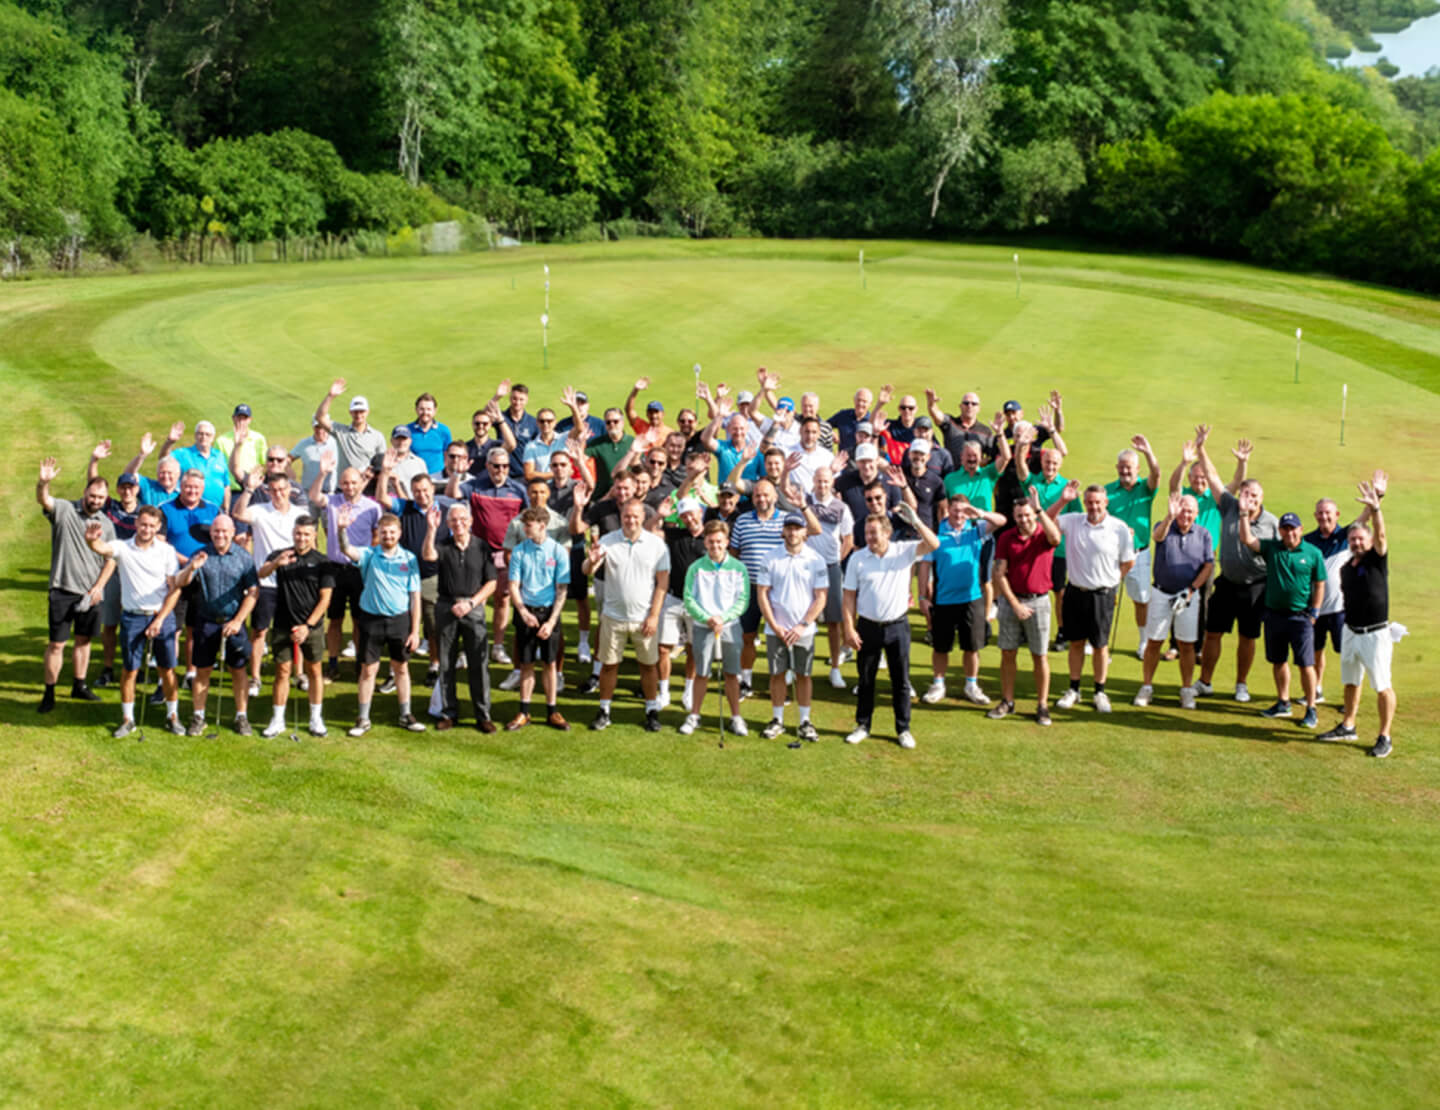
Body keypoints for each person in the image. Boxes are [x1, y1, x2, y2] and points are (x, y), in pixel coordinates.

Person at [842, 502, 940, 749]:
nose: (870, 538)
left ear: (887, 533)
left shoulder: (903, 551)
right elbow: (849, 597)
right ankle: (862, 725)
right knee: (866, 680)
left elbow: (934, 544)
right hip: (867, 626)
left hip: (897, 626)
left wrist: (915, 521)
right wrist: (849, 628)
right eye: (867, 533)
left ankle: (903, 729)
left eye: (874, 533)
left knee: (900, 681)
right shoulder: (857, 558)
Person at [83, 505, 184, 737]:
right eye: (143, 524)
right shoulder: (122, 547)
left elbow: (174, 590)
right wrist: (91, 542)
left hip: (162, 616)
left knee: (167, 669)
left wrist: (159, 620)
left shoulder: (167, 551)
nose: (146, 529)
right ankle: (128, 719)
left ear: (158, 527)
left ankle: (173, 716)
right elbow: (102, 548)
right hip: (132, 617)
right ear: (136, 523)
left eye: (152, 526)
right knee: (130, 670)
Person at [1318, 474, 1395, 757]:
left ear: (1369, 540)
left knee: (1382, 685)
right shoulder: (1346, 567)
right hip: (1351, 631)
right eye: (1352, 539)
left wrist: (1376, 508)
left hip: (1375, 633)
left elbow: (1382, 535)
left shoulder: (1377, 559)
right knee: (1351, 681)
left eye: (1361, 538)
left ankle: (1384, 736)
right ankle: (1348, 725)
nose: (1356, 542)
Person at [335, 507, 425, 735]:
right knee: (368, 670)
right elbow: (347, 550)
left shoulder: (410, 559)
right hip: (371, 620)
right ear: (379, 533)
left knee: (401, 669)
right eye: (384, 532)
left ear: (400, 533)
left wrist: (415, 631)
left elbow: (415, 597)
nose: (388, 536)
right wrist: (342, 529)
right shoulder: (369, 554)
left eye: (392, 532)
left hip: (399, 621)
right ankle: (363, 719)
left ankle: (406, 715)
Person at [583, 499, 670, 732]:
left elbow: (662, 583)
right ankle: (604, 710)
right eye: (626, 516)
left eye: (635, 516)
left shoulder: (656, 545)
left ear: (643, 517)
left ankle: (651, 710)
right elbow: (588, 569)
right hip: (613, 617)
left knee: (648, 666)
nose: (630, 520)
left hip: (644, 618)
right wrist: (591, 563)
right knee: (609, 666)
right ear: (621, 517)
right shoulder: (607, 541)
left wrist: (653, 616)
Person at [1197, 439, 1273, 702]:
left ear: (1261, 499)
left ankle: (1241, 684)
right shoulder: (1229, 506)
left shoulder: (1271, 523)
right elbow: (1213, 476)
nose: (1248, 499)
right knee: (1213, 633)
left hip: (1255, 587)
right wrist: (1201, 449)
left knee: (1247, 637)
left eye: (1254, 495)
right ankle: (1205, 681)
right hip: (1227, 583)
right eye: (1245, 493)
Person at [36, 456, 114, 711]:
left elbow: (111, 560)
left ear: (105, 499)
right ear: (85, 492)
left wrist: (99, 586)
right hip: (62, 589)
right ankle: (49, 693)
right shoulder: (64, 510)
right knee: (57, 644)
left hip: (90, 593)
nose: (95, 501)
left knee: (84, 641)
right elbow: (44, 500)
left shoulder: (107, 525)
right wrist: (43, 483)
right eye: (92, 495)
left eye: (101, 498)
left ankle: (79, 686)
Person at [1239, 510, 1326, 728]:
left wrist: (1315, 611)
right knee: (1278, 661)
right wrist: (1242, 515)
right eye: (1285, 529)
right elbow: (1247, 539)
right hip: (1274, 615)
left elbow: (1319, 584)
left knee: (1306, 664)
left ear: (1300, 529)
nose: (1289, 533)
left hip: (1301, 617)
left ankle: (1311, 708)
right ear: (1280, 531)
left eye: (1293, 528)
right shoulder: (1272, 548)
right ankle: (1283, 702)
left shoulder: (1313, 553)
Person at [1054, 482, 1135, 713]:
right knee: (1076, 643)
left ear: (1106, 503)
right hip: (1075, 591)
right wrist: (1063, 501)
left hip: (1102, 594)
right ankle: (1074, 689)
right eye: (1089, 502)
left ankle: (1099, 691)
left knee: (1100, 645)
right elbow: (1046, 522)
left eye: (1098, 502)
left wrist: (1112, 581)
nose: (1093, 506)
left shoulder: (1119, 528)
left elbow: (1128, 561)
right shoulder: (1073, 520)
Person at [175, 514, 259, 736]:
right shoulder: (201, 553)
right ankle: (198, 716)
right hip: (206, 621)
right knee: (203, 671)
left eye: (224, 532)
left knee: (238, 670)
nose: (220, 535)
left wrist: (238, 620)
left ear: (232, 532)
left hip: (234, 622)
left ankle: (242, 717)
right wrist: (192, 567)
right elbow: (181, 582)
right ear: (210, 532)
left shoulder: (243, 557)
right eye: (216, 531)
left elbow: (253, 592)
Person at [919, 497, 1007, 706]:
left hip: (971, 598)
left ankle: (971, 685)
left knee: (972, 646)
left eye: (962, 512)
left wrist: (979, 512)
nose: (959, 515)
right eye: (955, 511)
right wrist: (923, 597)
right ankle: (938, 684)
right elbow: (924, 567)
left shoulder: (976, 529)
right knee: (941, 646)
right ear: (948, 510)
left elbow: (1002, 521)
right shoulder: (936, 535)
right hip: (943, 599)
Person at [1132, 492, 1214, 709]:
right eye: (1182, 509)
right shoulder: (1165, 526)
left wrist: (1191, 589)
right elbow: (1157, 537)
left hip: (1187, 595)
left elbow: (1208, 565)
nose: (1185, 515)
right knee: (1154, 642)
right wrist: (1169, 517)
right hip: (1161, 592)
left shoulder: (1204, 534)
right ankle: (1147, 687)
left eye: (1190, 511)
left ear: (1196, 514)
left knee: (1187, 645)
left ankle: (1186, 690)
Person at [231, 468, 307, 698]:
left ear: (290, 490)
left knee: (297, 630)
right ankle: (255, 678)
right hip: (265, 581)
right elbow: (238, 513)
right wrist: (249, 489)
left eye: (282, 490)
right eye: (273, 490)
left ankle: (299, 673)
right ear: (268, 491)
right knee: (259, 631)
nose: (278, 494)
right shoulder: (259, 510)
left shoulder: (299, 513)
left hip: (293, 582)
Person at [255, 515, 334, 737]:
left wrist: (307, 626)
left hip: (312, 627)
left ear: (313, 536)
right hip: (282, 624)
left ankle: (316, 719)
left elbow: (325, 599)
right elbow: (261, 573)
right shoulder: (282, 555)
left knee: (314, 670)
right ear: (293, 533)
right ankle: (277, 719)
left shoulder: (323, 562)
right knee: (282, 671)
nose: (301, 538)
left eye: (306, 534)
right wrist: (275, 564)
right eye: (298, 533)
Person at [424, 503, 499, 732]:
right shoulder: (443, 545)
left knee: (478, 663)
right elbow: (428, 556)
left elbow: (492, 582)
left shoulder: (482, 547)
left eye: (463, 519)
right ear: (448, 524)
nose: (459, 524)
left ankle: (482, 714)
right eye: (454, 520)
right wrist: (431, 529)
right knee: (446, 662)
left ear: (471, 521)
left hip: (473, 606)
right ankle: (448, 712)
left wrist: (471, 603)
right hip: (446, 606)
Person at [990, 488, 1063, 724]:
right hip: (1012, 601)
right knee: (1007, 652)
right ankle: (1007, 701)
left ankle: (1042, 705)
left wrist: (1040, 510)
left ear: (1034, 513)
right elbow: (999, 574)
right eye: (1019, 515)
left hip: (1039, 601)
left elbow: (1056, 539)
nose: (1024, 519)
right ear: (1014, 517)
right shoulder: (1006, 538)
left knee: (1039, 655)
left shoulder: (1044, 534)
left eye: (1028, 514)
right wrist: (1014, 604)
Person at [756, 513, 828, 741]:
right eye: (789, 528)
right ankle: (777, 719)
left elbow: (821, 597)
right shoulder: (770, 558)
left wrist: (802, 625)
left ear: (805, 531)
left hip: (803, 630)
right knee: (777, 674)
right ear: (783, 531)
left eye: (797, 528)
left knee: (803, 675)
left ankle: (805, 721)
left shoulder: (816, 559)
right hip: (776, 629)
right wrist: (774, 625)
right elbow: (762, 594)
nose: (793, 532)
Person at [309, 456, 382, 680]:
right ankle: (332, 663)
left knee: (360, 619)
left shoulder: (373, 508)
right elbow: (313, 496)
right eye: (345, 483)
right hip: (335, 568)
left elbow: (376, 537)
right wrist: (322, 473)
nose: (349, 487)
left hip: (359, 570)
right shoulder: (333, 501)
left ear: (362, 482)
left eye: (353, 482)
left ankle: (360, 663)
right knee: (335, 619)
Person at [457, 446, 528, 665]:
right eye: (496, 466)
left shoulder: (518, 490)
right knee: (474, 599)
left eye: (505, 466)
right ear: (487, 466)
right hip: (478, 553)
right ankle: (468, 649)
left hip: (506, 554)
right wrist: (456, 474)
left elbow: (527, 520)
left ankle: (497, 646)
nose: (501, 470)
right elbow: (453, 494)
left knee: (502, 600)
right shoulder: (474, 486)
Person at [680, 521, 751, 736]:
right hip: (703, 626)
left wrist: (723, 617)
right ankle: (694, 715)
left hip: (730, 626)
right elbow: (689, 599)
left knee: (731, 674)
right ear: (705, 542)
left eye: (719, 541)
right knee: (702, 673)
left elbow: (743, 599)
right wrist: (707, 617)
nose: (715, 546)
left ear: (727, 542)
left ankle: (736, 717)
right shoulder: (696, 568)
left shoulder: (739, 568)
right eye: (711, 541)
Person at [505, 507, 571, 730]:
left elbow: (562, 589)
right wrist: (523, 612)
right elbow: (513, 585)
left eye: (529, 525)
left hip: (549, 612)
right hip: (526, 612)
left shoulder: (559, 551)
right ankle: (524, 711)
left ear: (542, 526)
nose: (524, 529)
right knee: (526, 664)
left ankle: (552, 711)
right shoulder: (519, 551)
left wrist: (551, 621)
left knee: (550, 664)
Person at [728, 478, 789, 699]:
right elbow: (734, 553)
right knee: (747, 636)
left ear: (775, 496)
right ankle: (746, 680)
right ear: (752, 498)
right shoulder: (743, 521)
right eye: (757, 495)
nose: (761, 499)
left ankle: (783, 682)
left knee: (781, 637)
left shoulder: (785, 520)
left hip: (777, 589)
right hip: (750, 588)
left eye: (766, 495)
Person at [1104, 436, 1160, 656]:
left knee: (1141, 599)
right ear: (1117, 468)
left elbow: (1157, 474)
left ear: (1138, 469)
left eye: (1130, 468)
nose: (1125, 472)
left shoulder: (1145, 488)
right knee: (1106, 597)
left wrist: (1148, 452)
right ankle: (1099, 639)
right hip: (1112, 554)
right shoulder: (1107, 490)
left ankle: (1144, 641)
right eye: (1122, 467)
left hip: (1139, 554)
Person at [1305, 494, 1358, 704]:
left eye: (1328, 512)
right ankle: (1316, 689)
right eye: (1320, 512)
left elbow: (1363, 519)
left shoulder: (1346, 536)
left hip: (1340, 609)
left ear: (1337, 515)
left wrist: (1376, 501)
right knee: (1315, 650)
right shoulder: (1308, 540)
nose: (1324, 516)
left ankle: (1350, 697)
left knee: (1346, 653)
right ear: (1315, 515)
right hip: (1315, 609)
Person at [806, 466, 855, 689]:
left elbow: (848, 539)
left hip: (831, 567)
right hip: (806, 568)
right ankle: (797, 669)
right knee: (802, 616)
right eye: (819, 481)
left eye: (826, 481)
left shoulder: (841, 508)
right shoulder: (805, 504)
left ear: (831, 483)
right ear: (814, 481)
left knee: (834, 621)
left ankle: (835, 668)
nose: (822, 485)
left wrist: (836, 560)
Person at [659, 498, 709, 713]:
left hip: (698, 603)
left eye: (692, 513)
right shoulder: (675, 535)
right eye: (684, 516)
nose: (689, 518)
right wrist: (660, 515)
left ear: (700, 511)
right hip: (673, 598)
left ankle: (688, 691)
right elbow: (652, 530)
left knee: (692, 650)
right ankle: (664, 692)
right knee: (663, 649)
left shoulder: (711, 538)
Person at [314, 378, 387, 477]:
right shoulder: (340, 431)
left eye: (362, 411)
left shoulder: (377, 436)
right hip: (344, 485)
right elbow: (320, 417)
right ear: (350, 412)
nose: (358, 414)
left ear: (368, 412)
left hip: (367, 486)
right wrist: (330, 396)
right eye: (355, 411)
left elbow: (381, 462)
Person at [162, 420, 231, 508]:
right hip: (190, 507)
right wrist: (169, 442)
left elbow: (226, 485)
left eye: (207, 434)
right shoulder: (183, 454)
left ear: (213, 437)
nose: (203, 437)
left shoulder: (219, 456)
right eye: (200, 433)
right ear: (195, 435)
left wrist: (227, 508)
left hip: (216, 509)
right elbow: (164, 459)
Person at [217, 403, 268, 495]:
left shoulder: (259, 438)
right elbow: (219, 466)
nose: (241, 421)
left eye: (245, 418)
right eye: (238, 418)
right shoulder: (222, 440)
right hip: (232, 489)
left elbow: (263, 463)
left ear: (250, 420)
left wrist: (250, 478)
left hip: (254, 487)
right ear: (233, 418)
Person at [585, 407, 634, 500]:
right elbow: (581, 460)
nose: (612, 424)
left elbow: (640, 468)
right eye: (608, 422)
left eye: (615, 421)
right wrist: (580, 443)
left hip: (626, 495)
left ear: (622, 423)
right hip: (602, 496)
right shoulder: (597, 443)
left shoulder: (632, 442)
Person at [123, 432, 181, 506]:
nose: (166, 476)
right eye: (162, 472)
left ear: (178, 474)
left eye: (170, 473)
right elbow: (128, 475)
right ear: (157, 473)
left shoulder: (185, 492)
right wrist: (141, 455)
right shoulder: (148, 486)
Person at [290, 418, 338, 498]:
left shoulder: (336, 443)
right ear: (313, 427)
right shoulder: (304, 444)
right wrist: (288, 468)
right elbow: (288, 458)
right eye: (317, 427)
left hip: (329, 493)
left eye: (322, 427)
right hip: (308, 493)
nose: (320, 430)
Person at [405, 392, 452, 474]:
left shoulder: (444, 431)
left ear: (434, 411)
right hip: (415, 477)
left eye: (429, 409)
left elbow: (448, 456)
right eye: (422, 409)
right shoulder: (407, 431)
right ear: (416, 410)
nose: (425, 413)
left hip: (438, 478)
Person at [382, 425, 428, 499]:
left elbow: (426, 486)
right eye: (398, 439)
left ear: (410, 441)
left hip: (413, 505)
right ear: (391, 441)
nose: (401, 443)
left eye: (404, 439)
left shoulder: (419, 463)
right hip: (389, 505)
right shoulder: (383, 461)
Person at [521, 408, 563, 481]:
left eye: (549, 421)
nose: (545, 424)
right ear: (537, 423)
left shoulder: (564, 439)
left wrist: (573, 408)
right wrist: (559, 473)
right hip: (543, 488)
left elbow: (579, 429)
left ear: (555, 422)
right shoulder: (530, 446)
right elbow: (529, 475)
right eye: (542, 421)